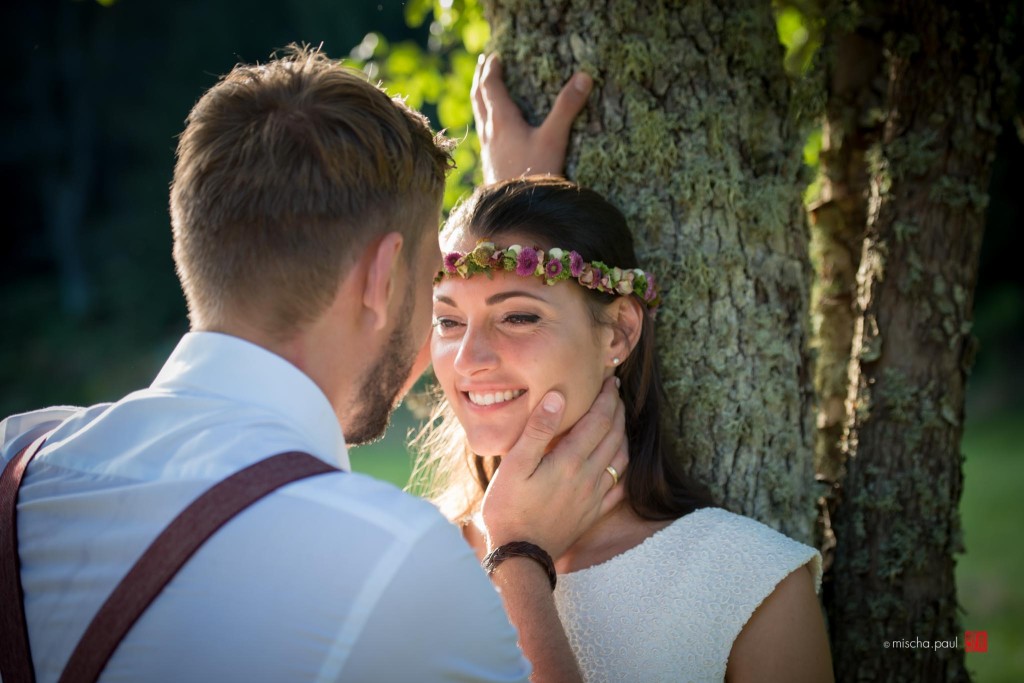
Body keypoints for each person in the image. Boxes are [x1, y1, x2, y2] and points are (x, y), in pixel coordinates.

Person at [0, 45, 618, 683]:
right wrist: (517, 553)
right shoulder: (391, 561)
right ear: (381, 279)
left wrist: (524, 220)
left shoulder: (14, 459)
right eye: (437, 286)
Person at [421, 175, 835, 683]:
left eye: (519, 317)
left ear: (618, 332)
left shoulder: (745, 583)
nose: (468, 360)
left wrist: (516, 553)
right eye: (448, 321)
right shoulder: (413, 553)